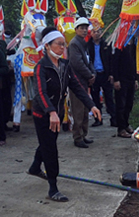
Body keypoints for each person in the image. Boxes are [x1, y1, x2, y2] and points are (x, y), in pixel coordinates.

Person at [27, 27, 101, 202]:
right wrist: (51, 111)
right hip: (43, 114)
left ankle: (35, 167)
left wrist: (92, 105)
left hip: (57, 113)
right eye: (59, 44)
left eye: (64, 45)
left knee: (48, 142)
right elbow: (40, 92)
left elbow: (76, 87)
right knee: (50, 148)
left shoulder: (65, 65)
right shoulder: (41, 67)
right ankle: (53, 188)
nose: (62, 48)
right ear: (47, 46)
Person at [67, 17, 97, 148]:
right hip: (77, 81)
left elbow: (88, 61)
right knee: (78, 110)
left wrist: (92, 73)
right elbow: (77, 63)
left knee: (85, 110)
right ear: (76, 29)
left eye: (86, 28)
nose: (84, 30)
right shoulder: (74, 43)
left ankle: (83, 135)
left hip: (84, 80)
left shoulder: (83, 43)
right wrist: (90, 74)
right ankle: (77, 137)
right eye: (82, 28)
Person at [87, 25, 115, 127]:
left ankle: (113, 118)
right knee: (95, 98)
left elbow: (111, 60)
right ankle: (98, 119)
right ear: (91, 33)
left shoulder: (106, 44)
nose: (97, 33)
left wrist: (112, 74)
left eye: (98, 31)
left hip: (105, 74)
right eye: (94, 32)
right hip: (94, 75)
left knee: (109, 97)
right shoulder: (88, 45)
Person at [112, 38, 137, 138]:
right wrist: (116, 79)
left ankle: (126, 124)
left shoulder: (134, 44)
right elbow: (114, 62)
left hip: (130, 78)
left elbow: (134, 63)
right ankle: (121, 128)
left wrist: (135, 79)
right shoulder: (119, 44)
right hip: (121, 79)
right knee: (121, 104)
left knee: (129, 103)